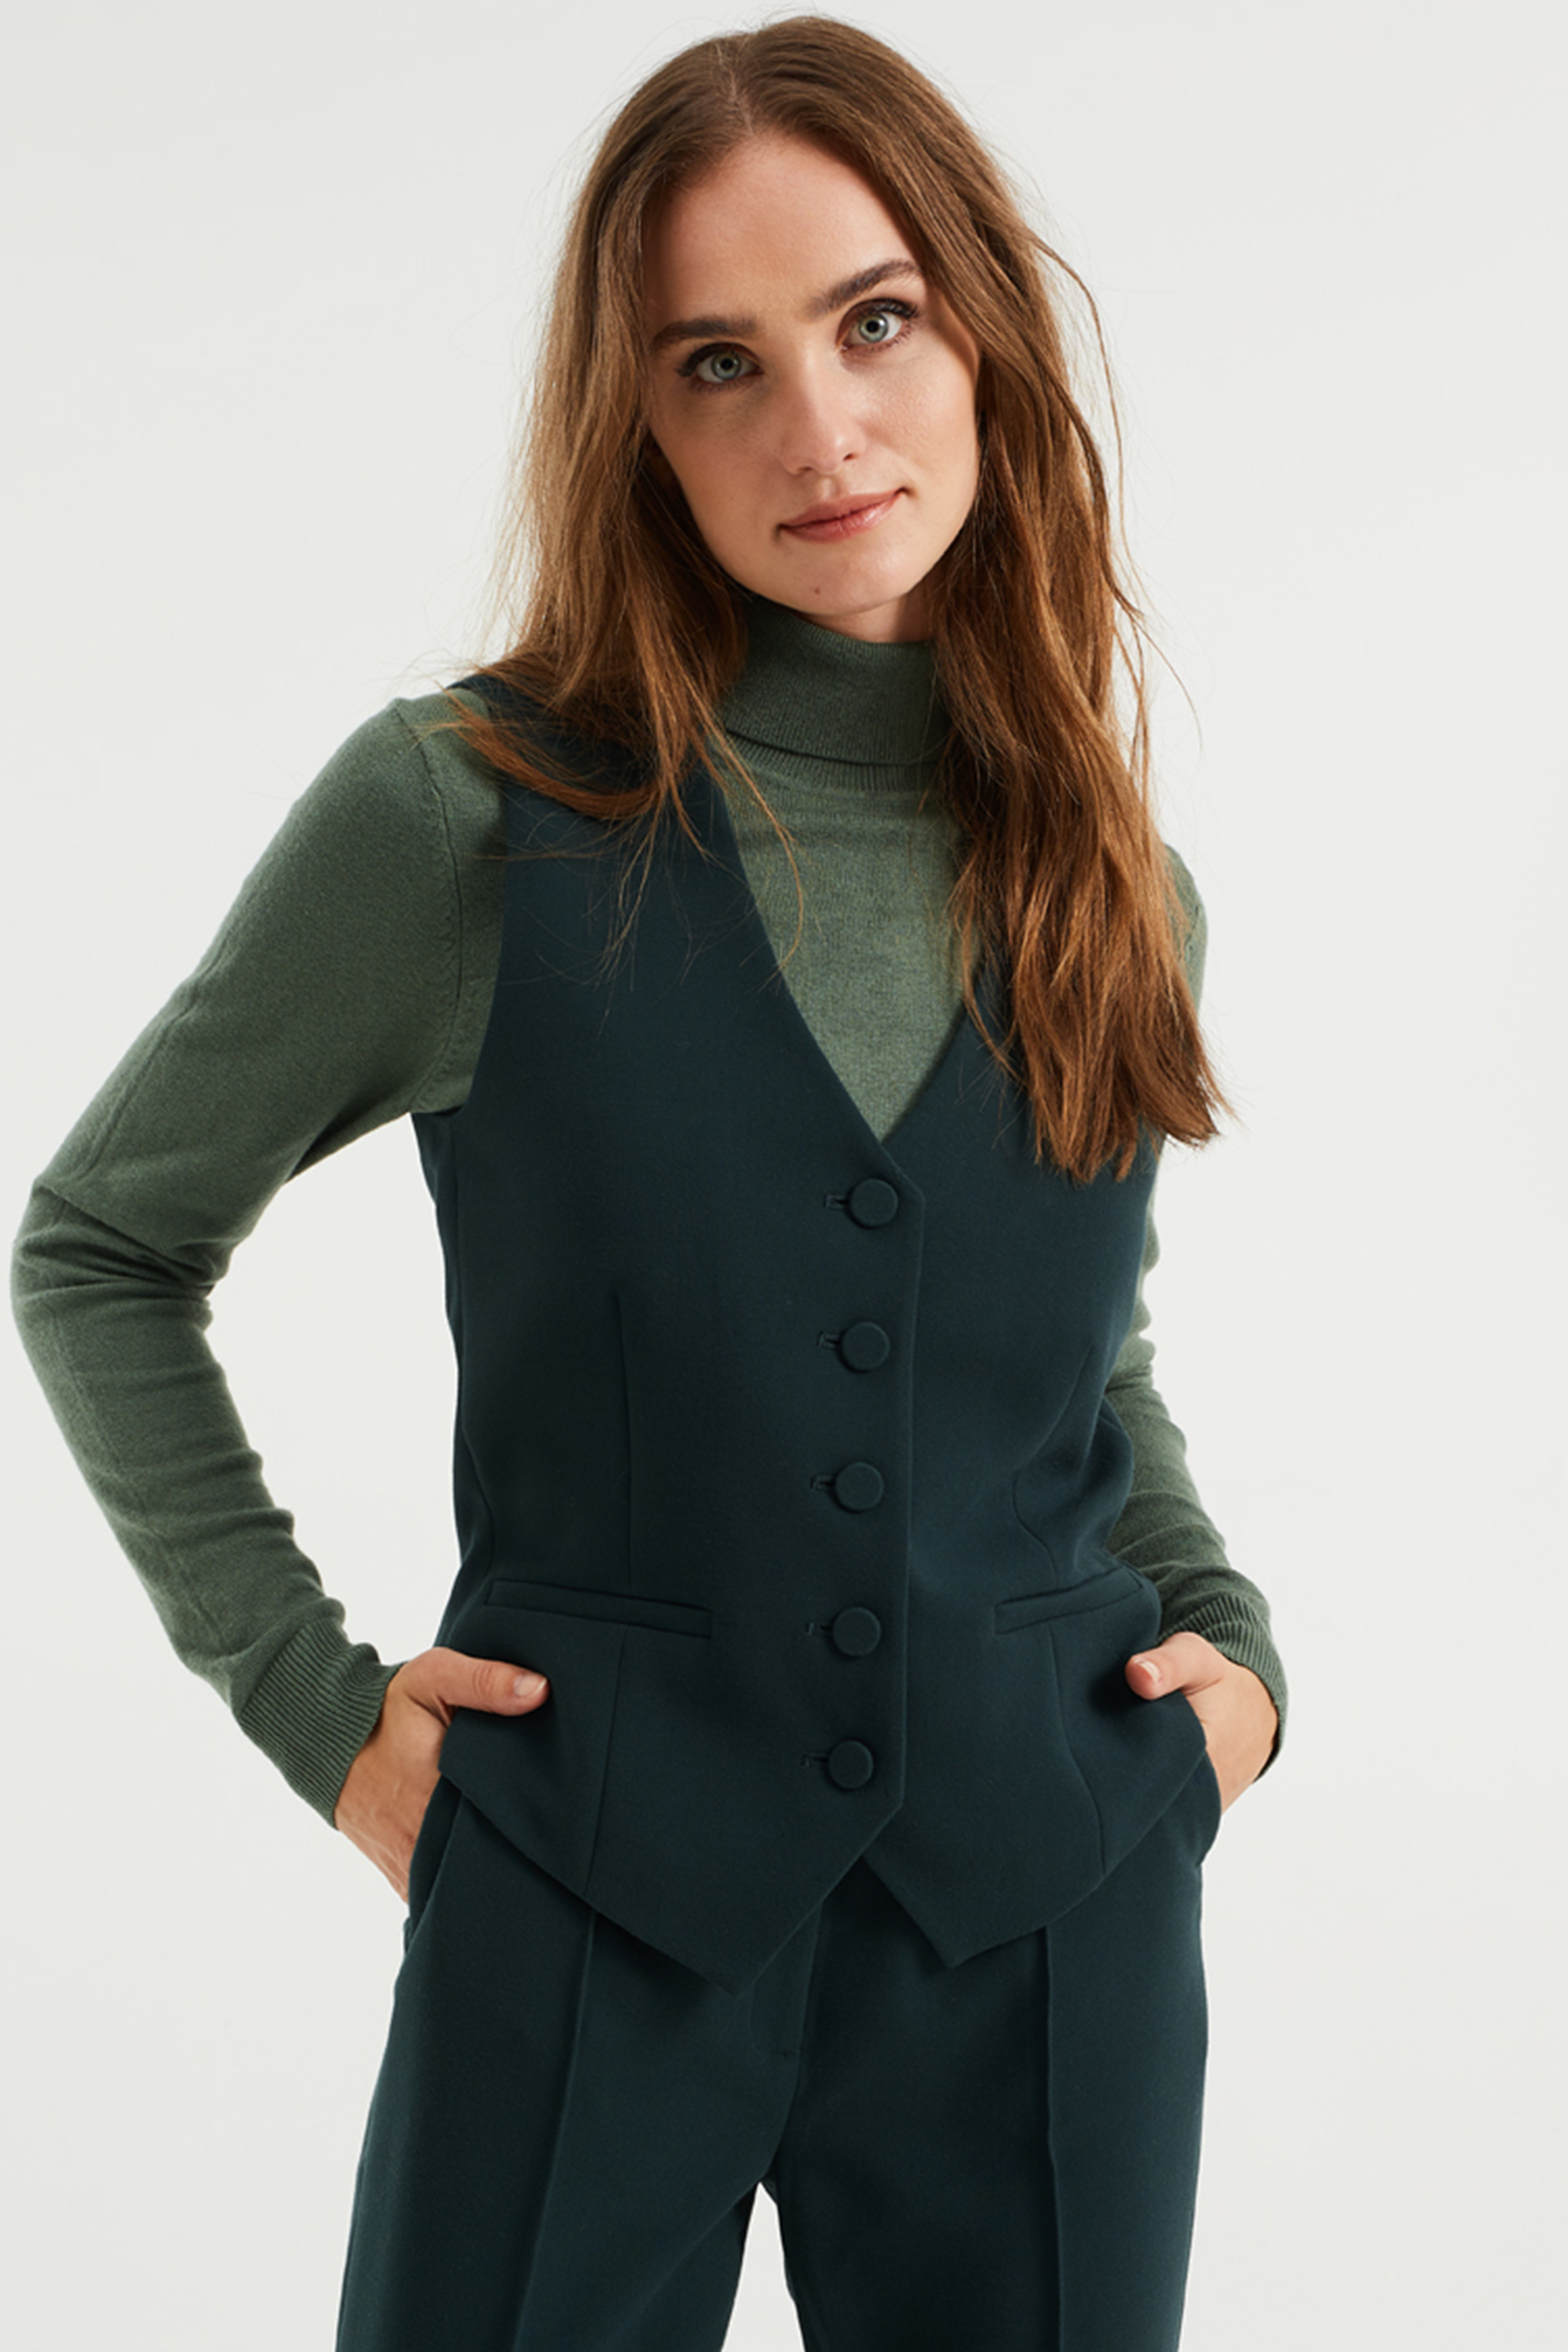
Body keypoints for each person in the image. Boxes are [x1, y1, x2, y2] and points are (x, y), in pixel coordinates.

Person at [12, 16, 1285, 2350]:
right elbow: (100, 1247)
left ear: (983, 336)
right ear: (638, 428)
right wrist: (319, 1710)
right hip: (583, 1898)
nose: (817, 427)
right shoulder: (465, 819)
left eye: (872, 319)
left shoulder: (1114, 883)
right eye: (718, 364)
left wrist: (1238, 1677)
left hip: (1047, 1909)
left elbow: (1071, 1353)